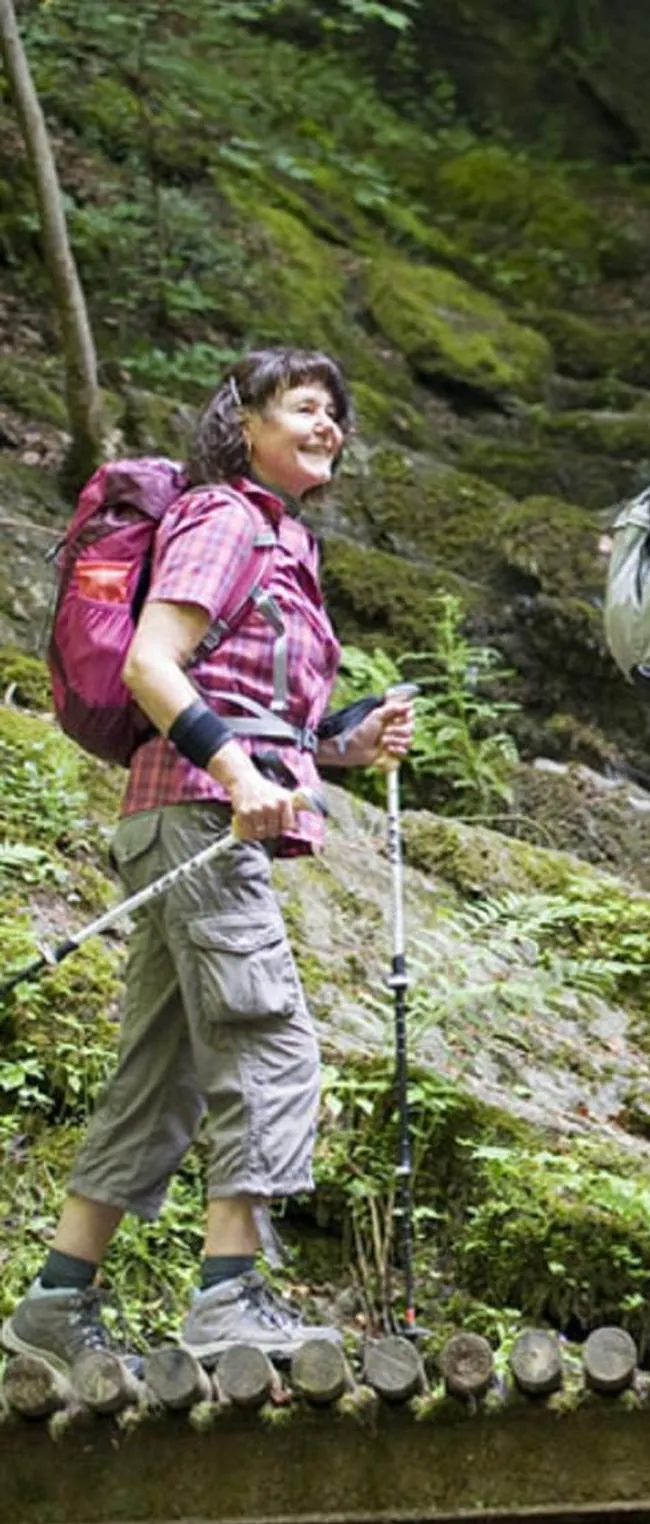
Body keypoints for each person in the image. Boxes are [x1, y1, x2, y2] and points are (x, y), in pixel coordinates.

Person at [1, 348, 414, 1374]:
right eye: (305, 407)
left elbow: (250, 704)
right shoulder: (225, 518)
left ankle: (55, 1300)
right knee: (269, 1039)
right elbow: (151, 665)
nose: (328, 425)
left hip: (187, 816)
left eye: (336, 412)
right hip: (198, 818)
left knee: (164, 1069)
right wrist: (235, 774)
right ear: (245, 424)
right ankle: (230, 1296)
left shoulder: (283, 539)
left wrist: (341, 743)